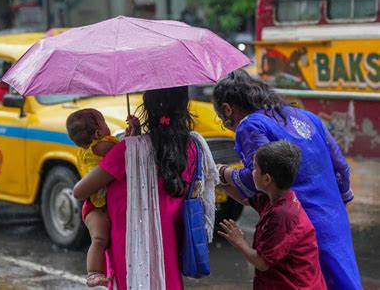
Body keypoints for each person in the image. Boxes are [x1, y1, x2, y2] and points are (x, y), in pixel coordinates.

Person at [213, 70, 361, 289]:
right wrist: (339, 203)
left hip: (295, 223)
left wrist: (222, 172)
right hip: (334, 217)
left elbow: (256, 179)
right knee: (342, 279)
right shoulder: (307, 116)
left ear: (227, 109)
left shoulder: (250, 125)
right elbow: (341, 166)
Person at [73, 86, 218, 289]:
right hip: (172, 237)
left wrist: (131, 141)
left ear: (147, 105)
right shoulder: (193, 145)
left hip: (130, 240)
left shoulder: (128, 149)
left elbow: (80, 191)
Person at [219, 140, 327, 289]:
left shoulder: (283, 216)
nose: (251, 172)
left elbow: (262, 263)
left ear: (267, 179)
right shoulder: (277, 197)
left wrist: (239, 241)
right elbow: (246, 200)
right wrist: (218, 181)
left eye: (255, 169)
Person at [66, 109, 125, 287]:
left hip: (95, 204)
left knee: (101, 240)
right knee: (99, 239)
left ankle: (97, 272)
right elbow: (123, 150)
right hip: (96, 207)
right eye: (105, 123)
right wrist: (132, 135)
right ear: (99, 132)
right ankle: (93, 272)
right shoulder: (101, 147)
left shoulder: (83, 152)